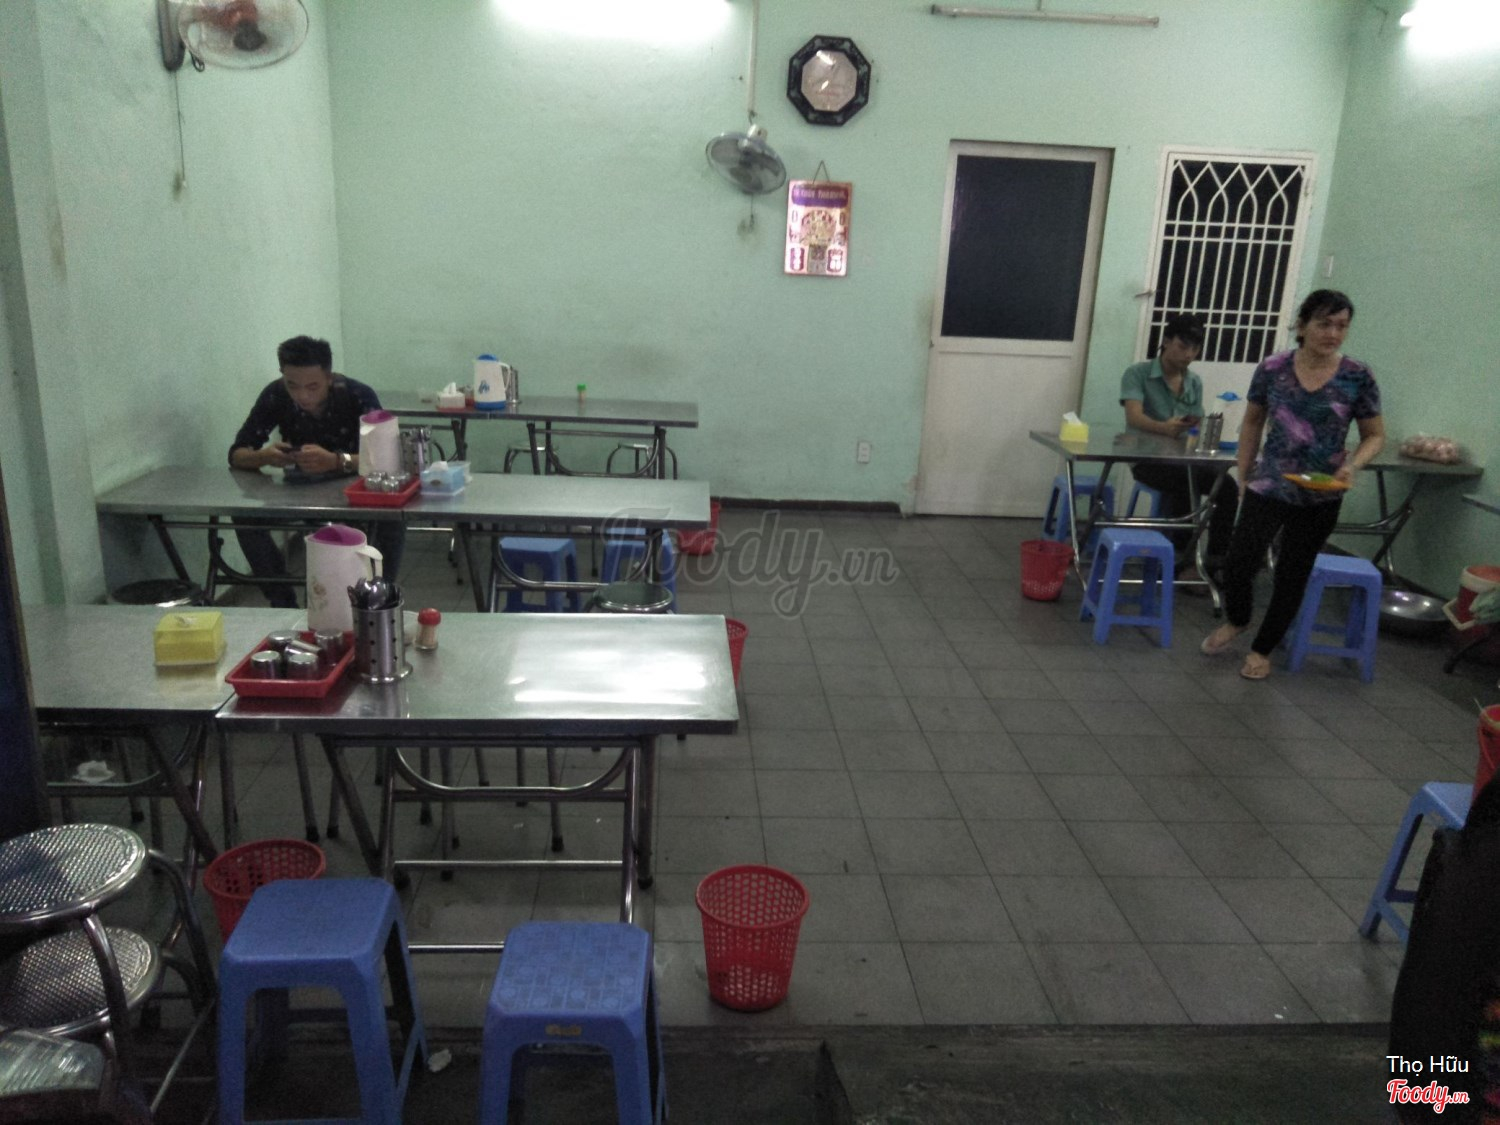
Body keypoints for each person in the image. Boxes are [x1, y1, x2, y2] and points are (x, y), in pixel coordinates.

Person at [1200, 290, 1385, 680]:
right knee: (1239, 563)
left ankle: (1262, 650)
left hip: (1323, 492)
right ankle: (1238, 619)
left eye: (1341, 326)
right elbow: (1252, 421)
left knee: (1293, 573)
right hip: (1270, 483)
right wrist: (1244, 474)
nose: (1332, 333)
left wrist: (1352, 465)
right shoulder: (1273, 368)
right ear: (1302, 325)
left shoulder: (1357, 375)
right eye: (1324, 324)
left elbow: (1374, 435)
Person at [228, 335, 404, 606]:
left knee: (393, 517)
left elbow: (388, 460)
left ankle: (378, 598)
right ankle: (282, 601)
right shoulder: (276, 394)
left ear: (329, 378)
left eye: (313, 387)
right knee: (245, 516)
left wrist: (338, 461)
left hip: (354, 490)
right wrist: (263, 457)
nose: (302, 396)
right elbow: (237, 454)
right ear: (282, 376)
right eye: (293, 385)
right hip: (298, 488)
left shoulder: (356, 395)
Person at [1119, 312, 1238, 570]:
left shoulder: (1193, 382)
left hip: (1183, 458)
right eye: (1183, 346)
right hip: (1146, 460)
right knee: (1185, 483)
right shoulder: (1137, 374)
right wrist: (1164, 428)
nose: (1189, 355)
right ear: (1166, 341)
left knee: (1226, 485)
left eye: (1195, 349)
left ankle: (1216, 561)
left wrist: (1197, 427)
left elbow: (1196, 421)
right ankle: (1181, 561)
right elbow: (1134, 417)